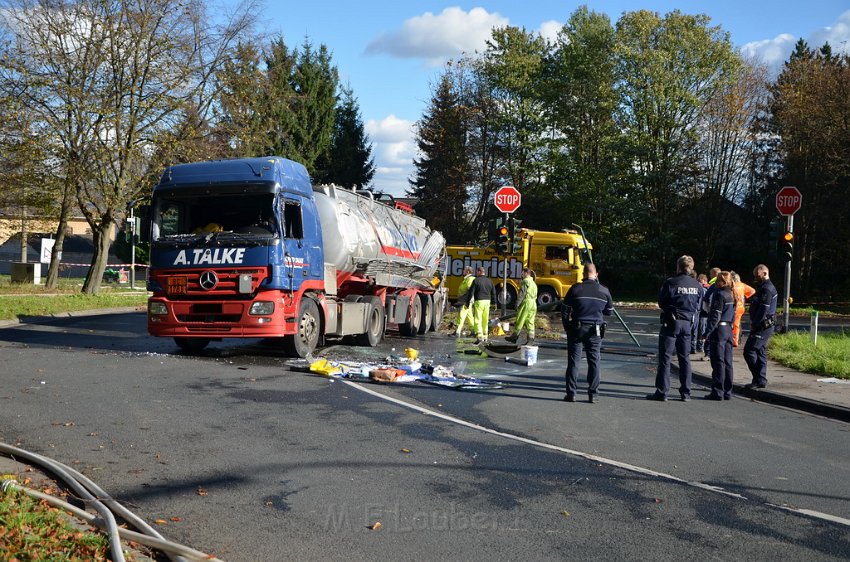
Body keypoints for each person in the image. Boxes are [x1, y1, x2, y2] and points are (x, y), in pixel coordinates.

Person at [647, 255, 703, 402]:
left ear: (678, 267)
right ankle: (686, 393)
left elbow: (661, 302)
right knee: (684, 359)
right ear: (691, 267)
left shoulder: (671, 283)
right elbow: (699, 305)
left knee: (665, 358)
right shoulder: (697, 285)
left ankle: (662, 391)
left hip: (671, 323)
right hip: (687, 324)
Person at [561, 263, 614, 403]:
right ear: (596, 274)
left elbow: (565, 310)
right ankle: (593, 394)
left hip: (577, 328)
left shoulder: (575, 289)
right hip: (595, 330)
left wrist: (567, 326)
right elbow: (608, 312)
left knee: (574, 361)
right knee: (594, 361)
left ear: (583, 274)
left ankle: (571, 393)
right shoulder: (604, 290)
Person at [743, 264, 778, 389]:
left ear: (764, 273)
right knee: (760, 351)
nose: (755, 278)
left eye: (757, 275)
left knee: (749, 351)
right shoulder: (763, 287)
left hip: (762, 326)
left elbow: (764, 310)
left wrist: (755, 324)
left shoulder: (767, 289)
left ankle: (758, 378)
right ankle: (760, 379)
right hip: (762, 325)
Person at [704, 271, 736, 400]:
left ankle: (718, 391)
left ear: (723, 282)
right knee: (728, 362)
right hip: (728, 328)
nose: (715, 283)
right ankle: (728, 391)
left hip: (719, 330)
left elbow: (715, 315)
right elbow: (733, 314)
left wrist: (707, 332)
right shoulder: (731, 295)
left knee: (718, 362)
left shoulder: (720, 295)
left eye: (717, 281)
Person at [463, 266, 497, 344]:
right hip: (487, 302)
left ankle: (479, 336)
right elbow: (493, 292)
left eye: (477, 272)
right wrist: (494, 303)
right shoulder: (489, 281)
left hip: (479, 301)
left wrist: (467, 303)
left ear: (479, 272)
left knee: (478, 319)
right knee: (485, 318)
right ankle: (485, 336)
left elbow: (471, 293)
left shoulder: (476, 281)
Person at [507, 268, 538, 344]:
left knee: (520, 319)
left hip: (526, 303)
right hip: (533, 303)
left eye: (522, 273)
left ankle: (514, 337)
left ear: (526, 273)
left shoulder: (525, 281)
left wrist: (517, 304)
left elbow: (522, 293)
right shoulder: (533, 283)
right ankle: (530, 339)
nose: (521, 275)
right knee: (530, 321)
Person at [730, 271, 756, 347]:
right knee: (737, 324)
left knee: (734, 324)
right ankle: (736, 339)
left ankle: (735, 340)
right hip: (741, 307)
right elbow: (753, 291)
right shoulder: (742, 285)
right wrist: (746, 296)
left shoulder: (732, 286)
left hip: (735, 307)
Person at [454, 266, 475, 337]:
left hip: (466, 301)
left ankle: (457, 331)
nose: (463, 271)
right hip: (467, 300)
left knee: (461, 315)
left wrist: (465, 300)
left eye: (464, 270)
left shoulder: (470, 279)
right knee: (469, 316)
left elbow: (470, 291)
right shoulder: (467, 279)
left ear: (468, 272)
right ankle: (473, 330)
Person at [694, 273, 710, 354]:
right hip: (706, 311)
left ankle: (700, 346)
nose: (698, 283)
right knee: (703, 328)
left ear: (704, 280)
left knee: (701, 329)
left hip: (702, 311)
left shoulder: (704, 288)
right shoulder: (709, 288)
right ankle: (701, 345)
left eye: (699, 281)